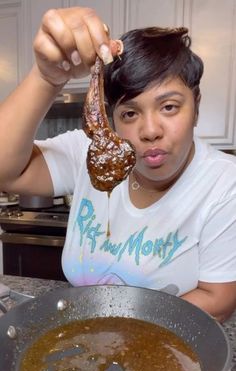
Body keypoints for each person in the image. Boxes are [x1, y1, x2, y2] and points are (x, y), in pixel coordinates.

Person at [0, 7, 235, 323]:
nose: (150, 130)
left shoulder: (223, 183)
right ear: (113, 120)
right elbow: (7, 172)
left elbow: (217, 299)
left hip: (162, 347)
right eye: (129, 113)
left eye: (169, 107)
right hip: (86, 340)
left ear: (195, 108)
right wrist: (45, 77)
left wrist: (117, 328)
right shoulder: (94, 152)